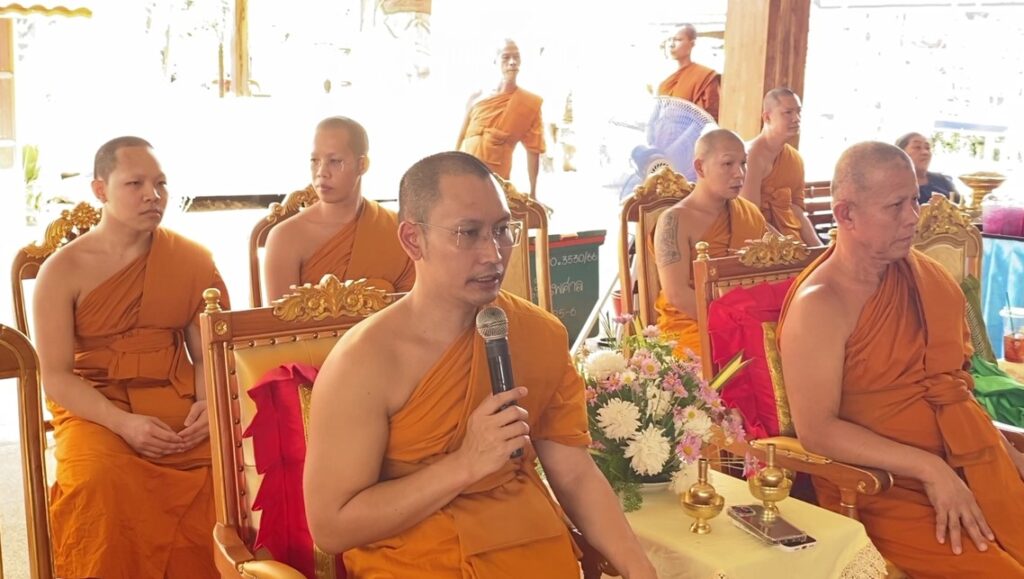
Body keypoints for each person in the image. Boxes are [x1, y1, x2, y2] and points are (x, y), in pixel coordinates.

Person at [304, 151, 656, 578]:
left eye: (502, 230)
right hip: (419, 563)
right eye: (467, 233)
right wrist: (465, 464)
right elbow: (332, 527)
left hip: (534, 553)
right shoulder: (365, 361)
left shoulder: (539, 334)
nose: (493, 254)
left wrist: (641, 570)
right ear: (413, 240)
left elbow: (574, 474)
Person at [778, 141, 1024, 577]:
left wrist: (1004, 453)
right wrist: (929, 468)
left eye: (914, 200)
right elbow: (817, 430)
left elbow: (954, 388)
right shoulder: (821, 304)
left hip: (967, 461)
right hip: (883, 489)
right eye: (895, 206)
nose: (913, 217)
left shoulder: (926, 277)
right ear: (846, 214)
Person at [32, 136, 226, 578]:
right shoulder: (61, 271)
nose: (153, 195)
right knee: (99, 483)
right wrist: (123, 424)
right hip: (97, 409)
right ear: (100, 189)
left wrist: (209, 405)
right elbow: (57, 376)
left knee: (233, 471)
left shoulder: (193, 261)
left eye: (161, 183)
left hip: (177, 404)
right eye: (135, 183)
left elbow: (210, 355)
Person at [264, 116, 414, 301]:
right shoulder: (286, 237)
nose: (321, 172)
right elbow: (279, 318)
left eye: (335, 161)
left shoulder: (395, 229)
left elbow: (416, 307)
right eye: (314, 161)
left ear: (362, 165)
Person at [654, 129, 767, 358]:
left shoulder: (749, 213)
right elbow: (676, 294)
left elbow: (781, 257)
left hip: (746, 320)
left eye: (743, 163)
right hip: (694, 325)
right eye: (727, 164)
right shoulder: (674, 221)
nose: (740, 173)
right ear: (700, 167)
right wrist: (730, 325)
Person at [456, 39, 546, 197]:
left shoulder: (529, 103)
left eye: (516, 57)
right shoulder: (476, 97)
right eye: (506, 57)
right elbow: (460, 137)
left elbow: (533, 151)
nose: (512, 62)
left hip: (496, 180)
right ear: (495, 60)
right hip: (465, 172)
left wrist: (533, 192)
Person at [741, 88, 821, 246]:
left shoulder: (794, 159)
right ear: (767, 117)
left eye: (798, 112)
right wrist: (787, 248)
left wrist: (819, 249)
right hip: (757, 245)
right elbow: (751, 217)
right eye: (788, 112)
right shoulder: (750, 158)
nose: (796, 118)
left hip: (791, 242)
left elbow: (796, 211)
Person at [657, 24, 721, 121]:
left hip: (692, 130)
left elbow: (711, 117)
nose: (671, 44)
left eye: (678, 40)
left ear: (692, 44)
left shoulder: (704, 76)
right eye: (669, 40)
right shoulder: (661, 77)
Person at [896, 132, 961, 206]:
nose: (925, 152)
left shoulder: (943, 181)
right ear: (901, 153)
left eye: (928, 148)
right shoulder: (892, 184)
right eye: (917, 147)